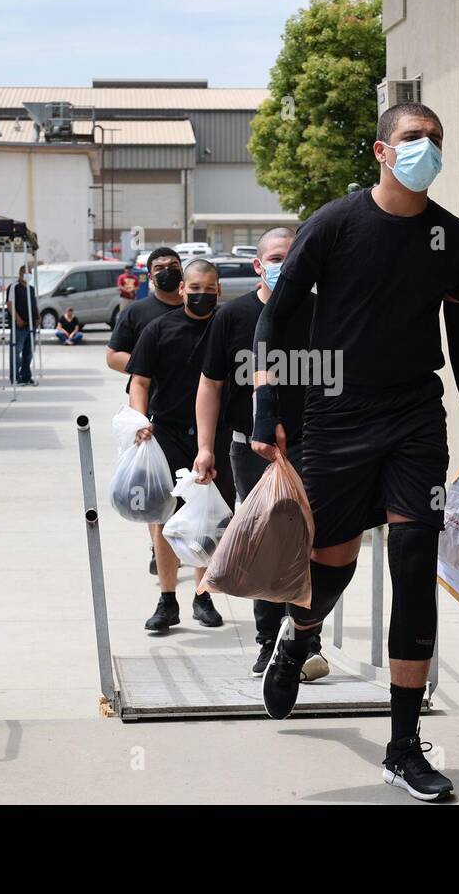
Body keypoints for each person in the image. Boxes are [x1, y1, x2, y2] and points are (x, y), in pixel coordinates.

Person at [251, 102, 459, 802]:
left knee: (415, 564)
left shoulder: (454, 239)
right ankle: (300, 638)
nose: (427, 149)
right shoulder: (336, 224)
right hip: (338, 416)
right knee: (331, 568)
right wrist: (269, 404)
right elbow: (278, 314)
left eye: (436, 140)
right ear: (382, 151)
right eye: (414, 139)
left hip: (416, 417)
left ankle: (402, 748)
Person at [193, 227, 326, 679]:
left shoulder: (319, 313)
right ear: (257, 264)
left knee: (311, 541)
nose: (282, 264)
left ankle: (306, 639)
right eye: (274, 257)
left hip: (312, 446)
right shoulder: (233, 318)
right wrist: (204, 447)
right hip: (250, 450)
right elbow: (210, 385)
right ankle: (269, 640)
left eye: (290, 257)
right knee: (263, 542)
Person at [126, 259, 236, 632]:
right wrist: (139, 422)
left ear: (218, 290)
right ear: (182, 289)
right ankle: (167, 599)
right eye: (195, 289)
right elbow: (139, 383)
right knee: (164, 520)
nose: (201, 295)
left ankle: (203, 596)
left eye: (209, 289)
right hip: (167, 434)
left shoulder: (229, 328)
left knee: (210, 520)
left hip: (218, 435)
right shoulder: (158, 329)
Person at [106, 247, 185, 579]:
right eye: (160, 266)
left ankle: (184, 547)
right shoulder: (138, 312)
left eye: (173, 266)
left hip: (189, 411)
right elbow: (113, 356)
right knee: (154, 488)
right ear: (149, 275)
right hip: (147, 413)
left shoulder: (196, 309)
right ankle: (159, 546)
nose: (167, 270)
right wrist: (150, 368)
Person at [8, 264, 37, 385]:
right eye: (26, 272)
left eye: (30, 272)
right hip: (19, 326)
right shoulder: (14, 287)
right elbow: (10, 304)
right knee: (16, 351)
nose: (28, 274)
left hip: (31, 325)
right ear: (20, 273)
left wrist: (38, 316)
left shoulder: (31, 288)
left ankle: (26, 375)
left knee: (28, 353)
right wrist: (17, 318)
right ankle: (15, 376)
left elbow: (34, 304)